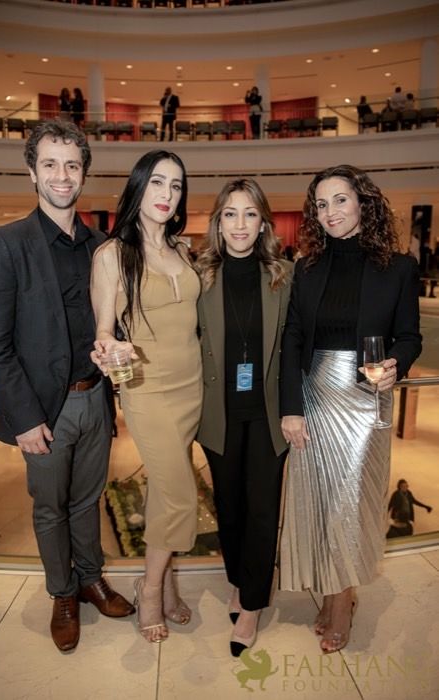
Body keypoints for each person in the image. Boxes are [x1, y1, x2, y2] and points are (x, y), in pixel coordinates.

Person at [0, 119, 133, 653]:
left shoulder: (102, 246)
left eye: (71, 165)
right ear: (32, 173)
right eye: (50, 164)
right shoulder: (5, 243)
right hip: (44, 408)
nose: (61, 176)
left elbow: (113, 324)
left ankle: (91, 579)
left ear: (84, 173)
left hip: (95, 400)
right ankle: (62, 593)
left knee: (88, 500)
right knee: (50, 508)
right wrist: (24, 418)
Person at [280, 164, 422, 654]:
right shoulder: (307, 268)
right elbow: (293, 337)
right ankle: (330, 588)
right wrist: (291, 407)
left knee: (350, 501)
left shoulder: (398, 267)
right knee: (319, 500)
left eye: (340, 200)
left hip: (366, 397)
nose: (331, 212)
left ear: (363, 202)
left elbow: (410, 336)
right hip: (315, 393)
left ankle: (342, 601)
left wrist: (397, 363)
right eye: (321, 205)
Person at [90, 150, 202, 644]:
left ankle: (169, 583)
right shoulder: (112, 254)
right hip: (147, 389)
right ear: (138, 187)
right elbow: (103, 329)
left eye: (176, 186)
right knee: (179, 493)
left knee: (164, 491)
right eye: (157, 182)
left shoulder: (182, 249)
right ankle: (150, 587)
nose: (167, 194)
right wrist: (108, 347)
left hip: (192, 386)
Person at [196, 179, 292, 657]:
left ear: (263, 224)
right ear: (218, 223)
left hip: (268, 415)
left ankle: (252, 603)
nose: (240, 224)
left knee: (261, 510)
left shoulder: (284, 276)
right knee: (229, 507)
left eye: (250, 214)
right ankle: (237, 578)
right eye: (230, 214)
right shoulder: (199, 278)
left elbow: (294, 349)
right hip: (218, 415)